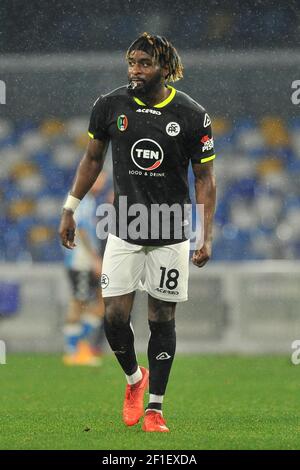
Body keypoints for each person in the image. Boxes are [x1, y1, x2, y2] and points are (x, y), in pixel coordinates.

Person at [59, 32, 216, 432]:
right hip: (124, 226)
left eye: (144, 64)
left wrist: (205, 234)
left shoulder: (192, 114)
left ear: (164, 68)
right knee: (113, 315)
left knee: (162, 319)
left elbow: (205, 179)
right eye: (131, 63)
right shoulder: (110, 105)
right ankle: (134, 379)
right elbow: (92, 159)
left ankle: (155, 410)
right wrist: (70, 208)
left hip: (171, 229)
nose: (135, 71)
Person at [62, 174, 107, 366]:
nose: (101, 182)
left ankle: (80, 346)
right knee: (78, 303)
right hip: (80, 261)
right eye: (98, 178)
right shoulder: (81, 199)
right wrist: (95, 258)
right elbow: (82, 230)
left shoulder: (89, 200)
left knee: (101, 302)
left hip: (87, 262)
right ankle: (73, 351)